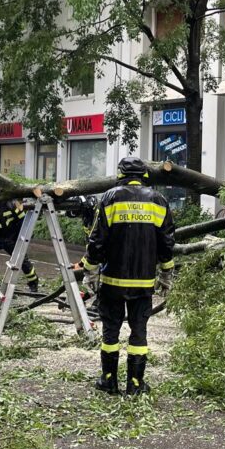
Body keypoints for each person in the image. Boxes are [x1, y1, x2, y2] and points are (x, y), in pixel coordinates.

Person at [76, 157, 175, 396]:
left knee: (111, 331)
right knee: (139, 330)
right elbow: (167, 242)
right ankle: (136, 384)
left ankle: (109, 380)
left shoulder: (110, 198)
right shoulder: (158, 200)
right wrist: (166, 273)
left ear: (120, 174)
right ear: (145, 176)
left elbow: (97, 240)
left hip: (113, 281)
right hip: (143, 282)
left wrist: (89, 270)